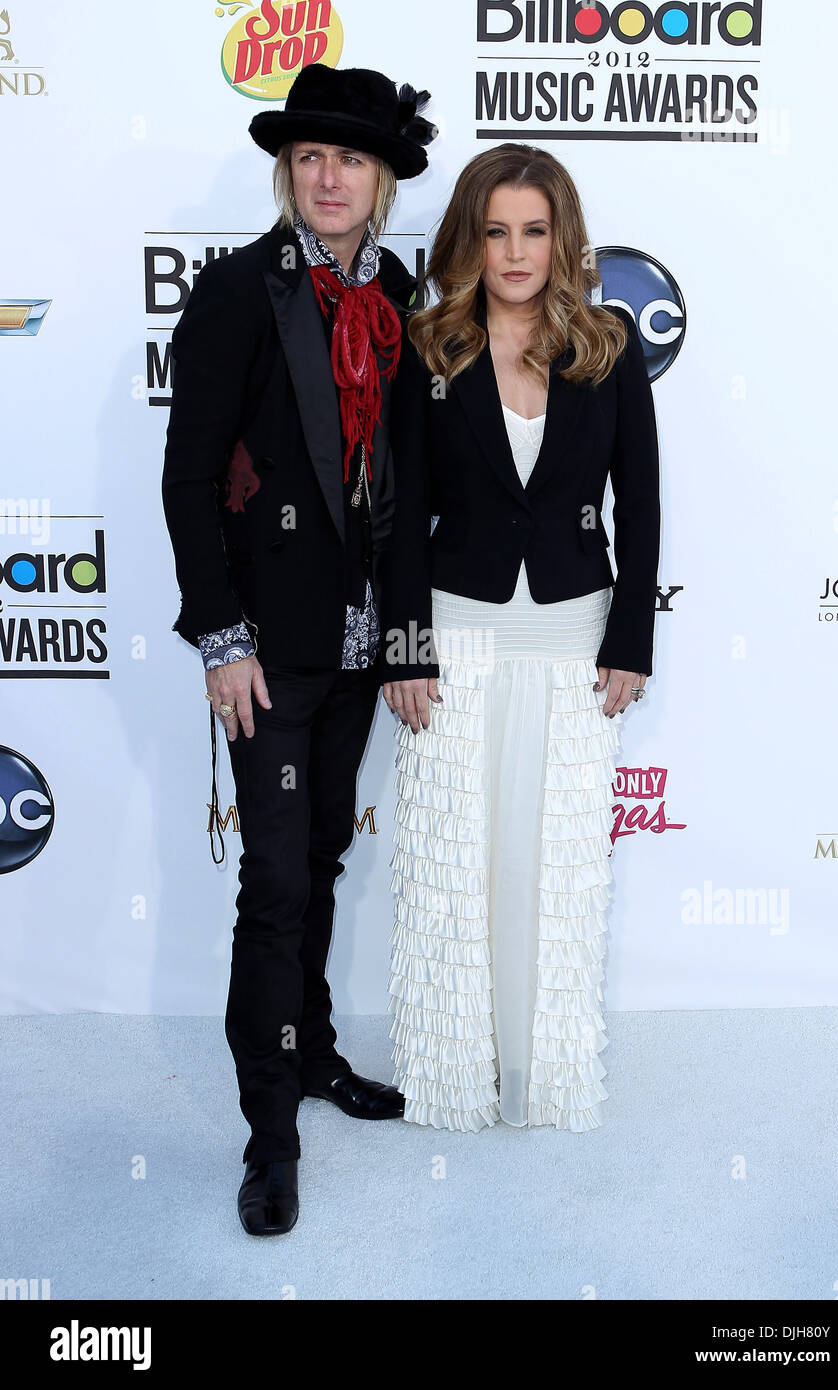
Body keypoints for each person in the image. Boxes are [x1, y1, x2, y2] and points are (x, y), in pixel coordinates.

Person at [161, 63, 436, 1234]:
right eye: (311, 158)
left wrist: (408, 639)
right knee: (272, 885)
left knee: (320, 858)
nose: (330, 178)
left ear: (382, 181)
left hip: (362, 643)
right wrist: (222, 641)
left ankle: (313, 1052)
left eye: (353, 160)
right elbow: (188, 478)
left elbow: (407, 487)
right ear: (289, 172)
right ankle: (268, 1135)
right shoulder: (237, 292)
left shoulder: (401, 291)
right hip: (266, 649)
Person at [380, 143, 661, 1133]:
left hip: (575, 636)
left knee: (556, 867)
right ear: (470, 235)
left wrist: (631, 638)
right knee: (459, 864)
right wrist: (405, 646)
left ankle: (544, 1079)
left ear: (561, 238)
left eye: (533, 230)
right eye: (495, 230)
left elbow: (644, 503)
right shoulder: (429, 348)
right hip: (456, 635)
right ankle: (455, 1080)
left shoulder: (609, 347)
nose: (513, 251)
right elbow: (399, 511)